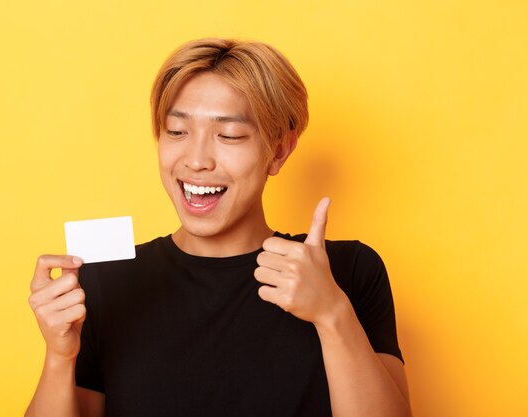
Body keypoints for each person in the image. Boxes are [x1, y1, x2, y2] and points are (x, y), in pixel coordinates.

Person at [25, 38, 411, 417]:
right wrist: (60, 357)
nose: (196, 160)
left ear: (278, 150)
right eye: (177, 131)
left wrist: (331, 313)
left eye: (228, 135)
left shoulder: (348, 270)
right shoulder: (106, 280)